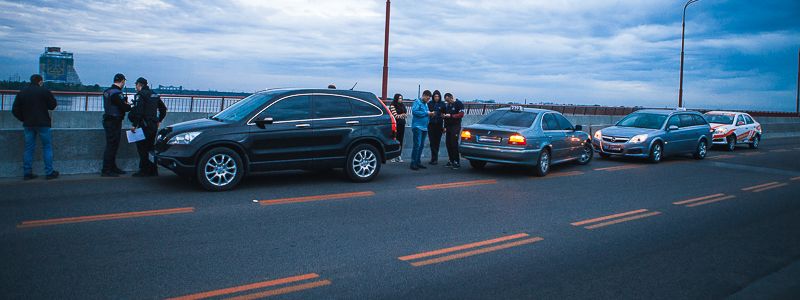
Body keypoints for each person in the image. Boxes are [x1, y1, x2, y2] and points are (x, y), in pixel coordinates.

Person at [12, 74, 59, 180]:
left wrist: (23, 118)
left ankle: (27, 173)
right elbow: (53, 105)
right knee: (47, 147)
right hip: (43, 124)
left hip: (28, 124)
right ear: (40, 82)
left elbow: (15, 110)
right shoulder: (44, 91)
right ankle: (49, 172)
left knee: (29, 148)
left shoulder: (22, 92)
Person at [129, 77, 167, 177]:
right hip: (153, 125)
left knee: (142, 148)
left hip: (143, 126)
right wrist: (159, 120)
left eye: (136, 85)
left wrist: (134, 125)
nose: (135, 87)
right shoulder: (154, 94)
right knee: (151, 148)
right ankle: (153, 170)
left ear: (139, 85)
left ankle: (143, 170)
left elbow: (139, 112)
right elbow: (163, 109)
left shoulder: (140, 95)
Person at [101, 73, 132, 177]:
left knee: (112, 145)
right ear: (122, 81)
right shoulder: (117, 93)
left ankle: (112, 167)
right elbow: (124, 107)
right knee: (112, 145)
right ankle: (106, 170)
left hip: (108, 119)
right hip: (114, 121)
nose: (124, 84)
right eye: (124, 82)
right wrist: (129, 106)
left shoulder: (107, 91)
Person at [410, 90, 435, 170]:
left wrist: (430, 114)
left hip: (424, 127)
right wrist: (427, 113)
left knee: (421, 145)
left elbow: (425, 112)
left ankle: (418, 162)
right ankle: (413, 163)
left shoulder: (425, 104)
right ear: (424, 95)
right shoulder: (417, 102)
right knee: (417, 145)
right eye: (427, 98)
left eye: (429, 99)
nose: (428, 100)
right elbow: (414, 112)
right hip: (417, 126)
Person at [442, 93, 465, 169]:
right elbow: (446, 117)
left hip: (456, 126)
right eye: (446, 100)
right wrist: (444, 126)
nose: (447, 102)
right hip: (448, 126)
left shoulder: (459, 103)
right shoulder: (448, 105)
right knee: (448, 143)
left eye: (448, 100)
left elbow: (461, 114)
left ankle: (457, 161)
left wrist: (452, 116)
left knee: (454, 143)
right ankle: (451, 160)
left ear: (451, 98)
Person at [427, 90, 446, 165]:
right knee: (432, 142)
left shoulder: (443, 104)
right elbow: (426, 113)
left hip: (439, 125)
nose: (436, 98)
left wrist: (445, 127)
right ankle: (433, 158)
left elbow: (445, 116)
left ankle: (435, 159)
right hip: (431, 125)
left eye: (438, 96)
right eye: (435, 96)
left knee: (437, 142)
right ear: (433, 97)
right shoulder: (430, 104)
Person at [389, 93, 408, 163]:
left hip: (402, 124)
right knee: (395, 139)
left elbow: (406, 114)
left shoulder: (402, 105)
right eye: (399, 98)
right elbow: (395, 116)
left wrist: (403, 115)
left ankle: (399, 155)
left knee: (401, 140)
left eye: (401, 98)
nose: (401, 100)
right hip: (395, 125)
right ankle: (393, 156)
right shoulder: (392, 105)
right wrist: (402, 115)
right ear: (396, 98)